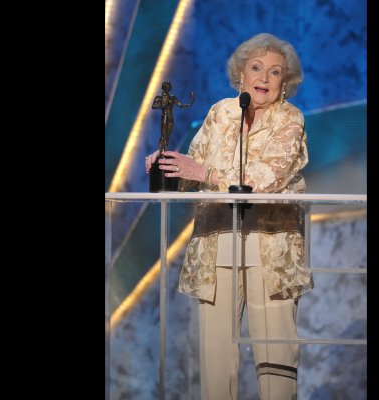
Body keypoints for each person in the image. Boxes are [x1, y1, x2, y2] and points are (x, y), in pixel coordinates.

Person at [145, 33, 312, 400]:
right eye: (256, 68)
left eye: (274, 72)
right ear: (241, 74)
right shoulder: (221, 112)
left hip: (270, 251)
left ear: (285, 82)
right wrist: (169, 167)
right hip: (216, 244)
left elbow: (266, 179)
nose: (264, 78)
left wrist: (203, 172)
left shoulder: (290, 119)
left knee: (276, 359)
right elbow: (193, 171)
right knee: (216, 362)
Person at [152, 80, 195, 154]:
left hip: (171, 118)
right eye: (169, 86)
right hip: (165, 117)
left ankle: (165, 153)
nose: (170, 87)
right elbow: (154, 106)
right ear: (165, 87)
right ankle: (160, 153)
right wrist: (162, 105)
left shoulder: (172, 97)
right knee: (163, 136)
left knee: (167, 137)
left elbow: (181, 105)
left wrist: (191, 103)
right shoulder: (159, 97)